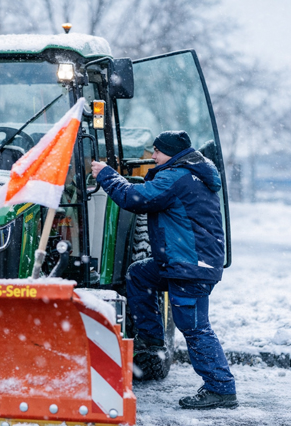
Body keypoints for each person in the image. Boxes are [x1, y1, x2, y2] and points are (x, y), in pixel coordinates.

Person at [91, 130, 237, 410]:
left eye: (157, 151)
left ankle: (220, 388)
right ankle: (151, 340)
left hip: (188, 267)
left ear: (171, 152)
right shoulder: (189, 173)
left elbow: (135, 198)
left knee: (194, 328)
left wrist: (107, 175)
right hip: (180, 263)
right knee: (138, 275)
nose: (153, 156)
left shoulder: (176, 176)